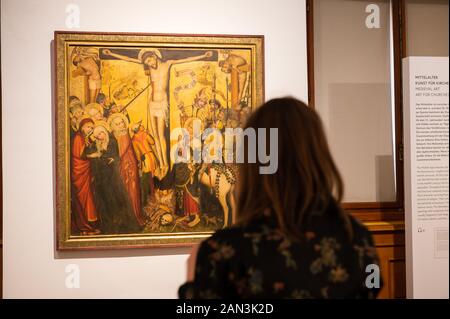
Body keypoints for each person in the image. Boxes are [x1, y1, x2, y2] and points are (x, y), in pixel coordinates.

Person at [178, 97, 382, 299]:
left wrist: (192, 283)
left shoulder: (222, 252)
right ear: (318, 156)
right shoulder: (357, 239)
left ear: (251, 165)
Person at [102, 48, 213, 178]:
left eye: (150, 60)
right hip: (152, 104)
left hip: (161, 104)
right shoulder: (151, 68)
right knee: (155, 135)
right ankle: (161, 164)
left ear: (155, 56)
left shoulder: (167, 64)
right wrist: (111, 53)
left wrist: (203, 54)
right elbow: (130, 59)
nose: (150, 64)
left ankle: (165, 164)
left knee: (160, 135)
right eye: (147, 63)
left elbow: (186, 59)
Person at [89, 123, 141, 234]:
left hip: (113, 179)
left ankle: (124, 225)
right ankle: (110, 227)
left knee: (117, 200)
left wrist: (100, 156)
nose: (99, 136)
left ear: (105, 132)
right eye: (97, 135)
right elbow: (93, 157)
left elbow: (113, 158)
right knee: (106, 202)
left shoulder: (111, 142)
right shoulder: (96, 145)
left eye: (101, 133)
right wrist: (99, 156)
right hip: (102, 180)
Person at [108, 113, 146, 227]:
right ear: (113, 127)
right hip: (124, 165)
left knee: (131, 191)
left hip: (128, 166)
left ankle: (134, 217)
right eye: (117, 124)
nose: (121, 125)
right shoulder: (116, 136)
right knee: (126, 191)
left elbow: (121, 152)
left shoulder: (124, 134)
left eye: (122, 123)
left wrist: (113, 158)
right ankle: (130, 217)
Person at [71, 117, 100, 235]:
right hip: (79, 172)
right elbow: (80, 155)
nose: (91, 129)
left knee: (88, 198)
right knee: (83, 198)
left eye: (92, 128)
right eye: (89, 127)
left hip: (86, 172)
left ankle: (90, 226)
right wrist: (93, 156)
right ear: (82, 127)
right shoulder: (78, 137)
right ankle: (85, 227)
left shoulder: (85, 138)